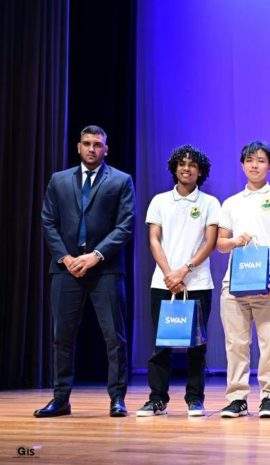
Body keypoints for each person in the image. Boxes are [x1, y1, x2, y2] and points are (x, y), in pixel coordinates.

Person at [37, 125, 135, 417]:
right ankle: (60, 399)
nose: (92, 148)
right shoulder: (59, 180)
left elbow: (125, 225)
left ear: (106, 149)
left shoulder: (121, 180)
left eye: (98, 144)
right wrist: (66, 258)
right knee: (62, 337)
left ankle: (117, 399)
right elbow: (48, 222)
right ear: (78, 147)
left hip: (105, 269)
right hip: (65, 269)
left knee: (114, 337)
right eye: (87, 143)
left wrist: (95, 256)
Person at [136, 145, 220, 417]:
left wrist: (184, 270)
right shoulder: (159, 201)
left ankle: (195, 399)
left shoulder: (210, 203)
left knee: (197, 345)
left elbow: (210, 242)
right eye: (182, 163)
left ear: (200, 172)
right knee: (161, 344)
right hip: (163, 283)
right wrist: (169, 274)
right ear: (174, 168)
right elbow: (154, 240)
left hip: (198, 283)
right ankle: (157, 399)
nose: (186, 168)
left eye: (192, 165)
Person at [217, 141, 270, 419]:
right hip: (234, 284)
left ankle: (269, 398)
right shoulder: (231, 203)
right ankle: (236, 398)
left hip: (268, 284)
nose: (254, 165)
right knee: (235, 344)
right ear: (242, 165)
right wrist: (235, 241)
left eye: (260, 160)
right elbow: (220, 244)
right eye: (249, 160)